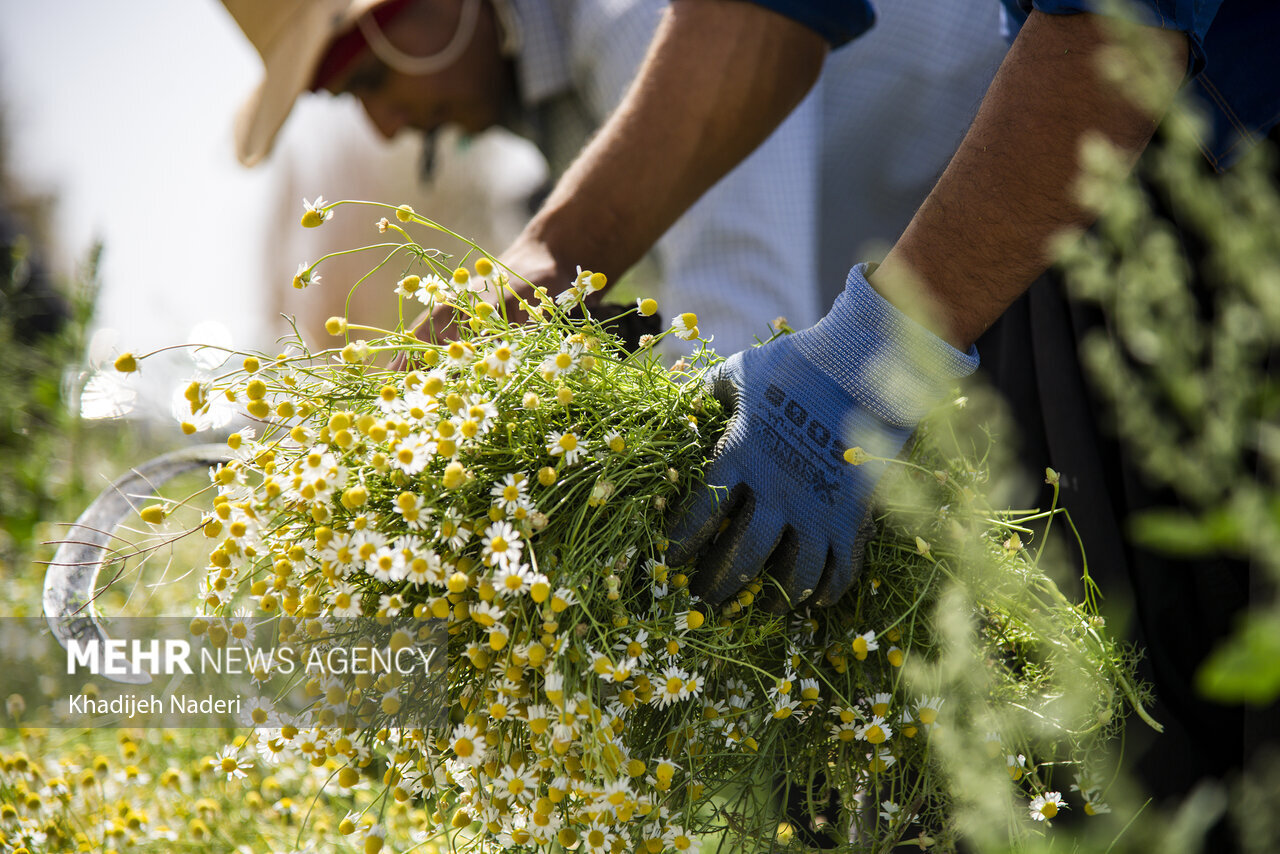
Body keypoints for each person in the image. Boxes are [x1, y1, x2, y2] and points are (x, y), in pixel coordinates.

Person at [485, 0, 1280, 840]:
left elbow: (1117, 26)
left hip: (1214, 194)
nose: (380, 125)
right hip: (1088, 213)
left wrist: (874, 356)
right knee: (1103, 766)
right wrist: (554, 256)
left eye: (369, 73)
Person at [221, 0, 1007, 357]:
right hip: (973, 300)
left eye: (367, 81)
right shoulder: (553, 116)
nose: (386, 128)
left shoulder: (631, 17)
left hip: (1071, 196)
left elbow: (744, 327)